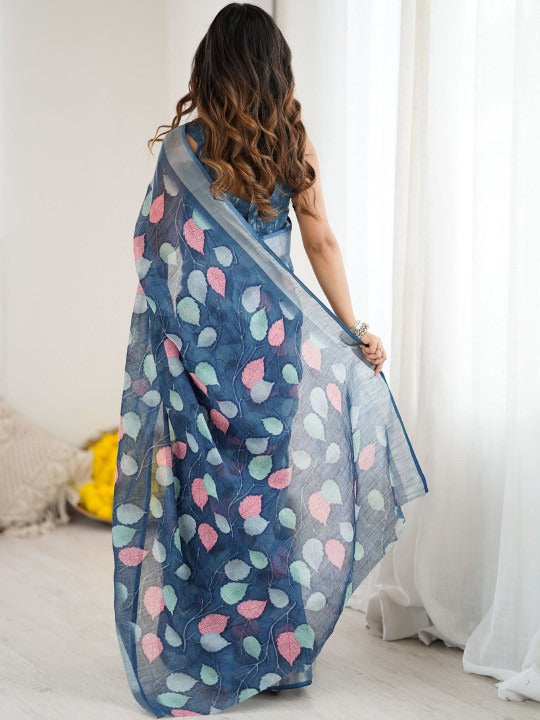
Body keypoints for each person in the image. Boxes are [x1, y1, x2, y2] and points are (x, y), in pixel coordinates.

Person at [112, 4, 428, 717]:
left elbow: (154, 252)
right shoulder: (292, 143)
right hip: (272, 355)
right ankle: (278, 654)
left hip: (203, 352)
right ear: (275, 68)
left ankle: (208, 648)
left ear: (210, 66)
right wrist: (352, 327)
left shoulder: (184, 150)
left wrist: (176, 339)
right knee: (268, 499)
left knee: (208, 500)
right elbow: (321, 243)